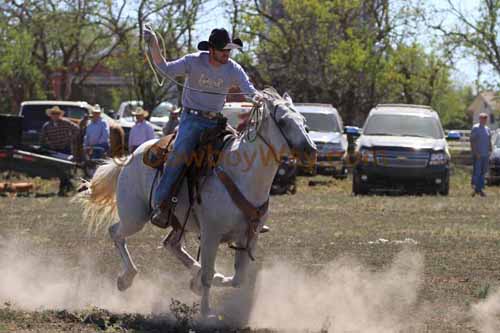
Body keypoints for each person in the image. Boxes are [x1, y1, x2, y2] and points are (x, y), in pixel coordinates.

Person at [144, 26, 260, 226]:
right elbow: (164, 69)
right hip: (192, 120)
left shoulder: (233, 68)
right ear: (211, 49)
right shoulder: (193, 61)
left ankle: (246, 211)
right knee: (179, 156)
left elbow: (249, 89)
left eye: (228, 50)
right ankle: (161, 205)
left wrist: (259, 97)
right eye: (223, 50)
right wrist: (154, 43)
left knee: (239, 154)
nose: (226, 54)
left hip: (217, 121)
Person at [39, 106, 80, 195]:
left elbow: (77, 129)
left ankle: (65, 187)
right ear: (51, 115)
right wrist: (47, 144)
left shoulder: (66, 122)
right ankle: (67, 187)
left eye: (57, 114)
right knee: (58, 169)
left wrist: (70, 139)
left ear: (59, 115)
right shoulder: (47, 126)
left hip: (65, 149)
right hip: (54, 150)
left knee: (65, 168)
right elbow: (42, 138)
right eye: (53, 114)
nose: (55, 116)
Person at [470, 113, 492, 197]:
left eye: (485, 118)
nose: (484, 119)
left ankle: (480, 189)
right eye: (483, 118)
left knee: (483, 172)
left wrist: (490, 150)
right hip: (478, 154)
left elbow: (489, 140)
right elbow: (472, 141)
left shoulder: (487, 129)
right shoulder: (475, 128)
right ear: (479, 119)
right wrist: (475, 152)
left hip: (485, 154)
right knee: (477, 172)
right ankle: (476, 188)